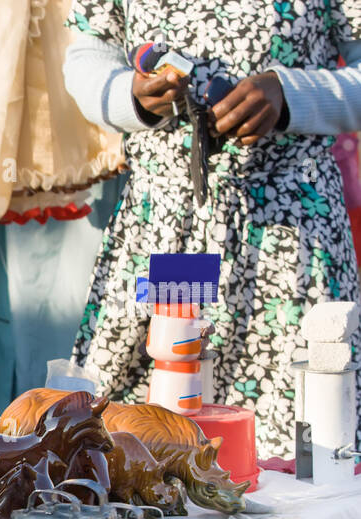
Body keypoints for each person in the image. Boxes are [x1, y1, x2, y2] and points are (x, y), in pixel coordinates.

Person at [64, 0, 361, 458]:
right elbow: (89, 57)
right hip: (168, 234)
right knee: (143, 444)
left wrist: (290, 94)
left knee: (304, 454)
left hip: (291, 238)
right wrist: (132, 96)